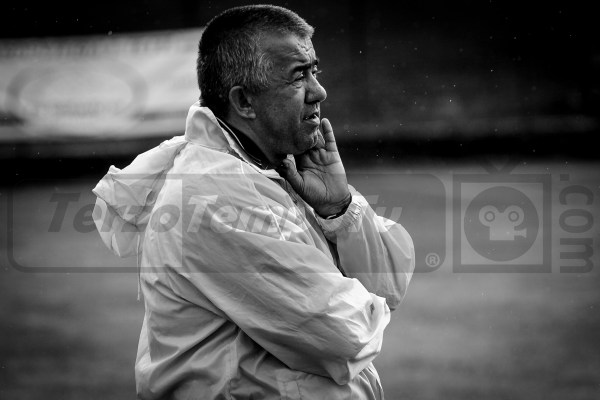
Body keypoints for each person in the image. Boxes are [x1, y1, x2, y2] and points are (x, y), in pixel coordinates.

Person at [92, 5, 414, 399]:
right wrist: (358, 296)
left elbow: (387, 287)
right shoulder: (216, 193)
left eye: (315, 71)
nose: (319, 91)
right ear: (244, 101)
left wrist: (339, 208)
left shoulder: (267, 168)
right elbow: (348, 335)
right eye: (299, 75)